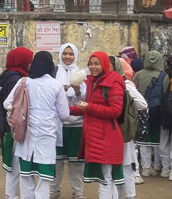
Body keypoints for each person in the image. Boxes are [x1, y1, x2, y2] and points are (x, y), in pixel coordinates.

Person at [4, 51, 69, 199]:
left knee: (26, 177)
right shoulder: (56, 85)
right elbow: (64, 115)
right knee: (43, 181)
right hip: (47, 139)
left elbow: (7, 103)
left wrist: (21, 113)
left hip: (26, 138)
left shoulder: (24, 82)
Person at [70, 51, 125, 199]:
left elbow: (115, 111)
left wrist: (89, 107)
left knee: (106, 178)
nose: (93, 67)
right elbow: (87, 109)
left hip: (108, 137)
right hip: (96, 136)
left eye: (97, 64)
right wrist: (64, 110)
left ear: (105, 64)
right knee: (107, 178)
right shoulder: (92, 82)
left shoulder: (113, 82)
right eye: (91, 64)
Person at [0, 47, 33, 199]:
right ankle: (11, 195)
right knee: (15, 164)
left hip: (11, 126)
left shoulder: (10, 76)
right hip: (16, 128)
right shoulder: (17, 79)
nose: (31, 63)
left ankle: (10, 194)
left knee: (13, 164)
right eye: (29, 60)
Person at [51, 43, 86, 199]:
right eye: (64, 53)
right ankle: (54, 190)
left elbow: (85, 100)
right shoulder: (53, 73)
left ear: (76, 56)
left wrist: (78, 92)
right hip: (57, 124)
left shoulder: (81, 74)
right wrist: (60, 91)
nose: (67, 57)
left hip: (77, 125)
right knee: (56, 161)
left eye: (71, 54)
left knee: (76, 162)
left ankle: (78, 192)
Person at [112, 56, 148, 197]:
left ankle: (129, 195)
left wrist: (127, 111)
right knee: (113, 168)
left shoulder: (124, 85)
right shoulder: (104, 84)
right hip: (110, 131)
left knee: (126, 166)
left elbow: (142, 104)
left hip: (123, 132)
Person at [132, 50, 166, 177]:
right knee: (157, 138)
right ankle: (158, 165)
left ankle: (146, 168)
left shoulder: (138, 75)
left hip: (140, 110)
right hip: (157, 110)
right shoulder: (164, 76)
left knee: (143, 138)